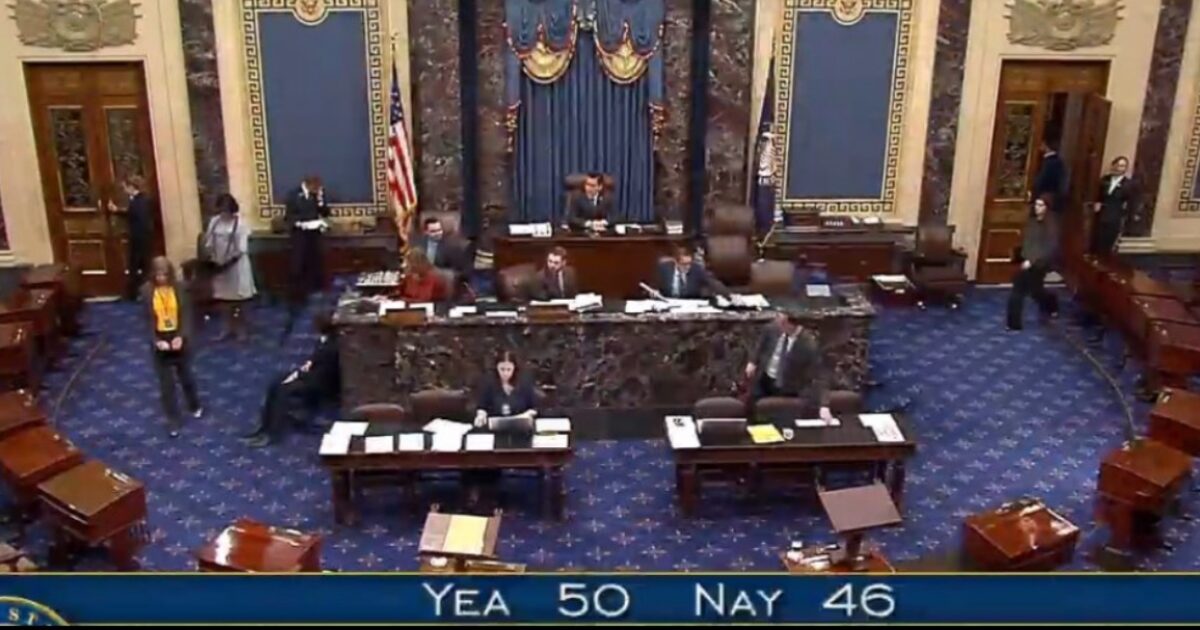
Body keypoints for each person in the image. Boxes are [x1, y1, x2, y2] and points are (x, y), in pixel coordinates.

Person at [242, 313, 340, 448]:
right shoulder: (325, 341)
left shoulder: (331, 348)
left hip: (319, 384)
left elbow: (322, 376)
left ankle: (272, 433)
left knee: (283, 390)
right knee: (276, 383)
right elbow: (315, 362)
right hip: (311, 374)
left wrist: (298, 375)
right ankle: (263, 428)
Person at [142, 256, 203, 438]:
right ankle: (173, 419)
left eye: (165, 274)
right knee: (166, 385)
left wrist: (181, 336)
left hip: (178, 336)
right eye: (158, 274)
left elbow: (187, 315)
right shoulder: (146, 291)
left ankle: (194, 405)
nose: (161, 278)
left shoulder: (180, 288)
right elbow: (146, 321)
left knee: (186, 377)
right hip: (160, 338)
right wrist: (155, 340)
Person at [744, 311, 830, 415]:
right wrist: (752, 361)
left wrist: (824, 405)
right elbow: (760, 344)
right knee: (751, 408)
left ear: (790, 325)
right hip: (764, 378)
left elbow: (820, 375)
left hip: (786, 388)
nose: (777, 325)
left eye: (781, 323)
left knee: (774, 413)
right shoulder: (772, 328)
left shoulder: (808, 345)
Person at [202, 194, 256, 340]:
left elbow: (241, 249)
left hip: (236, 265)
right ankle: (226, 328)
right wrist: (211, 257)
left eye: (226, 210)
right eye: (221, 210)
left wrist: (227, 262)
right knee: (223, 299)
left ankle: (241, 329)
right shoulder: (214, 222)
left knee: (238, 300)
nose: (223, 214)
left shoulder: (240, 224)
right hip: (218, 264)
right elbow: (208, 241)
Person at [283, 175, 330, 335]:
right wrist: (304, 224)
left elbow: (325, 213)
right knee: (298, 267)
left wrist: (321, 201)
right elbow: (289, 218)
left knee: (316, 266)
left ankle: (315, 295)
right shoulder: (293, 195)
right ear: (309, 185)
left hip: (314, 238)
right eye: (316, 188)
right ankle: (298, 300)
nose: (318, 191)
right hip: (300, 238)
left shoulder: (318, 196)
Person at [1008, 196, 1060, 331]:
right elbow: (1028, 242)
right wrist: (1023, 257)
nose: (1038, 208)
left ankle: (1014, 324)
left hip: (1040, 263)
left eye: (1041, 205)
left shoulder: (1051, 225)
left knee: (1026, 291)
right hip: (1027, 261)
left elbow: (1049, 246)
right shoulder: (1031, 222)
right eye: (1036, 205)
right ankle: (1051, 304)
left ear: (1047, 207)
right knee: (1030, 291)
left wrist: (1032, 260)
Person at [108, 175, 155, 301]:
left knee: (139, 267)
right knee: (137, 267)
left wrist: (117, 211)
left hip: (140, 239)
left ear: (132, 187)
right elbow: (131, 214)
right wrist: (117, 211)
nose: (124, 190)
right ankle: (133, 293)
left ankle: (136, 294)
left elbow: (139, 218)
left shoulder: (141, 200)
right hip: (140, 238)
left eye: (125, 187)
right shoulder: (138, 200)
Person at [473, 350, 538, 427]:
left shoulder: (524, 383)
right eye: (502, 369)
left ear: (514, 368)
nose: (505, 373)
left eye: (509, 369)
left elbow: (534, 408)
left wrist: (527, 415)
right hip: (495, 428)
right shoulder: (488, 382)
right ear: (497, 367)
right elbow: (482, 406)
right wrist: (481, 415)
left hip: (520, 428)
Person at [1092, 156, 1138, 256]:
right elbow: (1099, 195)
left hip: (1115, 215)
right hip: (1101, 213)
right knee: (1096, 238)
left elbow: (1131, 203)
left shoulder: (1128, 184)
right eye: (1118, 165)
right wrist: (1097, 203)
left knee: (1108, 241)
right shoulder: (1105, 179)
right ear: (1113, 166)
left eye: (1122, 166)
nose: (1119, 168)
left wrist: (1127, 217)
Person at [656, 244, 721, 299]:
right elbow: (655, 287)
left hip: (690, 305)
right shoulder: (664, 268)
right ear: (676, 262)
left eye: (689, 263)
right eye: (684, 264)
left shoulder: (696, 268)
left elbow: (712, 282)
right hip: (669, 304)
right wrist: (655, 292)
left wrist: (729, 295)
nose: (688, 267)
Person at [1031, 139, 1067, 214]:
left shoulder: (1050, 162)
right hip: (1050, 193)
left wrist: (1035, 186)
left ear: (1045, 145)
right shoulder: (1056, 161)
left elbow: (1043, 178)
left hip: (1046, 193)